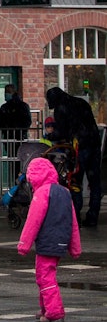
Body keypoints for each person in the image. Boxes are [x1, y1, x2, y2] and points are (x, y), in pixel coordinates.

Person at [17, 156, 82, 322]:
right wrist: (75, 247)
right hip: (61, 239)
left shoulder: (42, 193)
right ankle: (46, 307)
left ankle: (54, 312)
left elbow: (33, 221)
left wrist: (24, 244)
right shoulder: (65, 192)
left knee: (45, 276)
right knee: (45, 274)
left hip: (47, 240)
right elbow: (73, 221)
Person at [45, 86, 102, 228]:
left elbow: (62, 131)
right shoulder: (81, 102)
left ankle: (75, 216)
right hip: (94, 144)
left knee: (75, 181)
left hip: (79, 147)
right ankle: (93, 216)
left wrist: (50, 136)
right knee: (94, 182)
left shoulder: (61, 108)